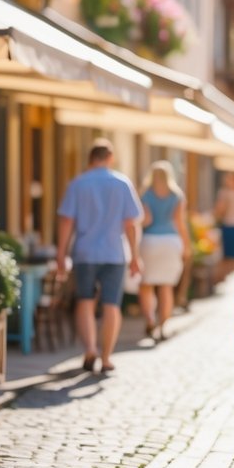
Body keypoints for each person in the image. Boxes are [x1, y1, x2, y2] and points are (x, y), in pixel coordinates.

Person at [56, 138, 143, 374]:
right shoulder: (122, 183)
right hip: (115, 253)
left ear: (90, 158)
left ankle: (90, 349)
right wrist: (135, 257)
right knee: (111, 304)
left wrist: (61, 254)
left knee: (85, 301)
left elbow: (66, 221)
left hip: (84, 252)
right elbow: (130, 224)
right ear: (110, 158)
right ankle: (106, 358)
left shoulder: (78, 184)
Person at [139, 160, 190, 342]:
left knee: (146, 284)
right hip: (171, 241)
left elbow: (146, 219)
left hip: (150, 241)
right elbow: (179, 223)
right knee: (166, 286)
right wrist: (186, 245)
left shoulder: (145, 195)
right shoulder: (177, 196)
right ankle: (163, 326)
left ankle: (150, 319)